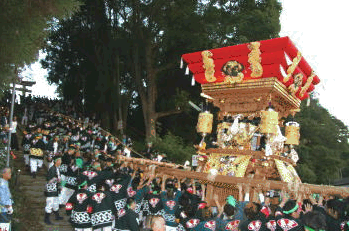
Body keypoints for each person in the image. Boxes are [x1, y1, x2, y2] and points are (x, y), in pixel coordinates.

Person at [45, 156, 64, 225]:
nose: (61, 162)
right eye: (60, 160)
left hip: (55, 188)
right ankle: (46, 218)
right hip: (51, 189)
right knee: (50, 203)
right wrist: (56, 179)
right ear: (56, 161)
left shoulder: (56, 168)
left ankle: (57, 215)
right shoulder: (52, 169)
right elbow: (49, 180)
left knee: (56, 202)